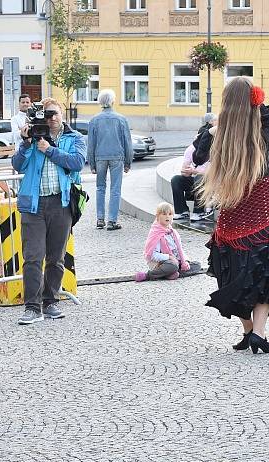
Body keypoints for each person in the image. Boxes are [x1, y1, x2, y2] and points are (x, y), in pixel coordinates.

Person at [196, 44, 269, 355]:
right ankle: (258, 332)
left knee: (233, 271)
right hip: (262, 206)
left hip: (234, 208)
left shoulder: (216, 134)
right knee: (266, 269)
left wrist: (214, 127)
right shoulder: (266, 125)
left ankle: (249, 330)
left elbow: (197, 156)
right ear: (254, 100)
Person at [12, 97, 86, 325]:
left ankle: (50, 301)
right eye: (46, 114)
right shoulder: (32, 138)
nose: (51, 118)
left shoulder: (74, 138)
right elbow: (17, 164)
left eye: (54, 113)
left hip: (61, 203)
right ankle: (32, 307)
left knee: (56, 257)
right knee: (33, 257)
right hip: (34, 205)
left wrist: (50, 149)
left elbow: (77, 162)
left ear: (62, 113)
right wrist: (26, 143)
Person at [87, 89, 133, 230]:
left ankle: (100, 219)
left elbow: (91, 144)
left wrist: (91, 163)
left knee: (100, 188)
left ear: (100, 102)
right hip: (117, 157)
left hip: (100, 157)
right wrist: (128, 162)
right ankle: (112, 221)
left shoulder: (94, 120)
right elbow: (127, 142)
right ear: (112, 101)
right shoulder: (121, 119)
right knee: (115, 189)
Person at [135, 202, 201, 282]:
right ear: (158, 216)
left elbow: (179, 250)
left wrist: (185, 261)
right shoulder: (156, 232)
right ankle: (149, 275)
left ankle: (170, 274)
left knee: (197, 265)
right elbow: (153, 255)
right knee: (172, 266)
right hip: (159, 263)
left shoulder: (172, 232)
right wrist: (169, 257)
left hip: (175, 261)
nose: (167, 216)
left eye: (170, 214)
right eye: (164, 214)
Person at [171, 144, 211, 222]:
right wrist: (185, 171)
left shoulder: (215, 149)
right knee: (176, 179)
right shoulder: (191, 149)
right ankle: (182, 211)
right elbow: (184, 170)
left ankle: (199, 212)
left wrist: (194, 171)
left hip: (211, 183)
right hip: (195, 180)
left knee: (199, 178)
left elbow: (214, 173)